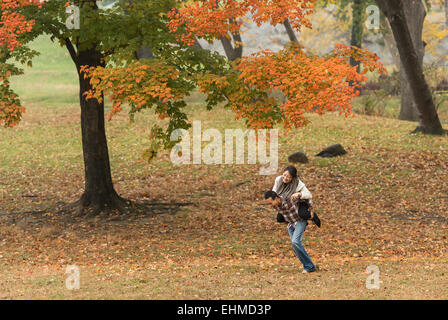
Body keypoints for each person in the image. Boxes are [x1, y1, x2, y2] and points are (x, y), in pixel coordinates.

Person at [265, 190, 317, 273]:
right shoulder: (275, 206)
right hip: (290, 224)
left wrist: (311, 211)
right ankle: (309, 265)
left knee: (295, 242)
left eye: (271, 203)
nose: (270, 205)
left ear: (277, 198)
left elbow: (308, 198)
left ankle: (309, 266)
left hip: (300, 220)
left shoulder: (290, 198)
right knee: (295, 246)